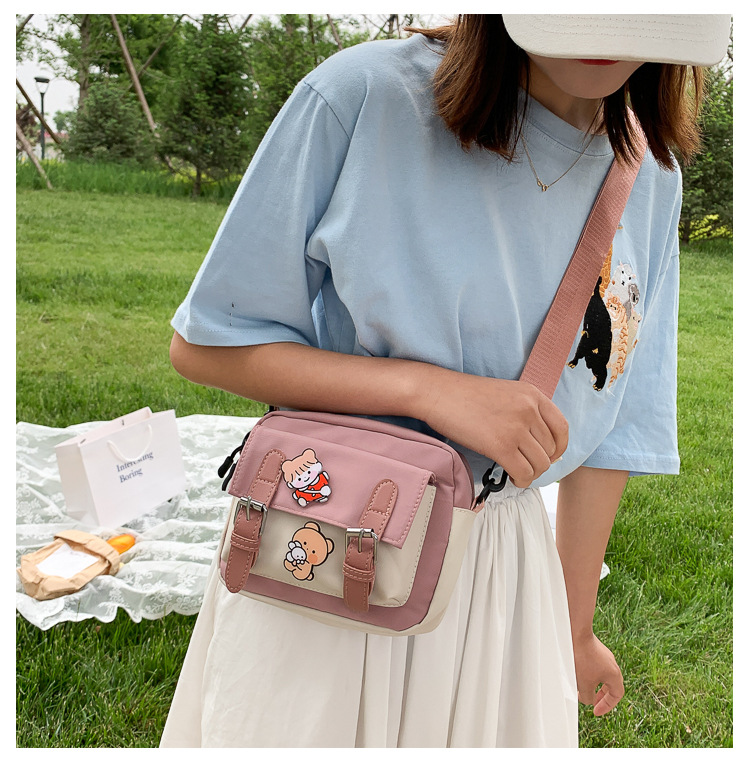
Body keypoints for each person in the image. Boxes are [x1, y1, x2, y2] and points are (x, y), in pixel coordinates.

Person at [160, 14, 731, 748]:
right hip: (336, 543)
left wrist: (573, 625)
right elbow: (207, 345)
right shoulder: (364, 96)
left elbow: (618, 425)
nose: (604, 30)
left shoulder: (650, 174)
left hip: (505, 573)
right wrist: (426, 391)